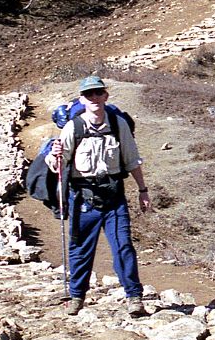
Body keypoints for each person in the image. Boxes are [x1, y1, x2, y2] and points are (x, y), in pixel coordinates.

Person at [46, 76, 152, 317]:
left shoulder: (118, 125)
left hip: (114, 198)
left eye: (97, 93)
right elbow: (58, 164)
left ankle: (134, 298)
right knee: (80, 250)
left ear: (106, 95)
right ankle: (76, 297)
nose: (94, 98)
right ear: (82, 99)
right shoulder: (73, 127)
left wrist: (143, 190)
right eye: (88, 94)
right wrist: (54, 155)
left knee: (123, 247)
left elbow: (132, 160)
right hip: (83, 199)